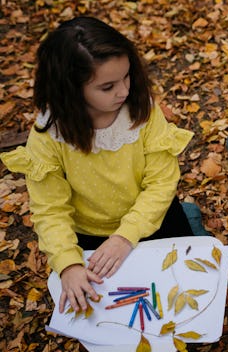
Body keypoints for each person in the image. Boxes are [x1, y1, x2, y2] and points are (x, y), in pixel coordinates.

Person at [0, 17, 194, 313]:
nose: (124, 91)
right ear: (71, 89)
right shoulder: (49, 136)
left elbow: (161, 183)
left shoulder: (142, 111)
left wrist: (125, 236)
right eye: (107, 86)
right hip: (88, 235)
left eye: (127, 76)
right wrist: (67, 264)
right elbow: (49, 208)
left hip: (154, 219)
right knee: (111, 311)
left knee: (181, 291)